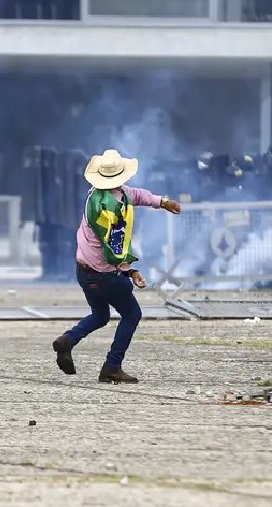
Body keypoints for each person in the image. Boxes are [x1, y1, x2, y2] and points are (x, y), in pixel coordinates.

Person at [51, 149, 182, 384]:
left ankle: (68, 340)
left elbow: (136, 195)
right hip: (104, 274)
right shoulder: (108, 210)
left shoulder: (101, 194)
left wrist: (162, 202)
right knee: (132, 313)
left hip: (84, 270)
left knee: (100, 315)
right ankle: (112, 366)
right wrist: (131, 271)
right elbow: (114, 247)